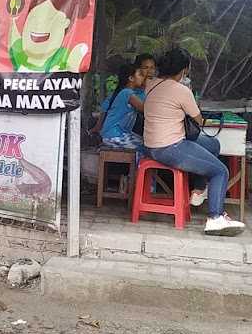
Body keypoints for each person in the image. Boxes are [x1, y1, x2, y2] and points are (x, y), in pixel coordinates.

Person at [144, 47, 244, 236]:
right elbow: (198, 120)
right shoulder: (181, 90)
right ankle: (215, 217)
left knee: (213, 145)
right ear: (184, 70)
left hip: (151, 146)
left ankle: (198, 189)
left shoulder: (152, 84)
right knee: (220, 171)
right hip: (171, 147)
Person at [8, 0, 90, 73]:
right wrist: (13, 19)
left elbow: (72, 71)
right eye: (33, 18)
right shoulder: (19, 50)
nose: (39, 25)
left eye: (50, 19)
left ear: (66, 23)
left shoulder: (62, 55)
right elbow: (14, 37)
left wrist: (74, 61)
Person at [94, 63, 145, 150]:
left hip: (116, 134)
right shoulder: (127, 93)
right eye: (140, 75)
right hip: (114, 135)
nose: (143, 78)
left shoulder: (125, 92)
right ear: (131, 78)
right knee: (146, 148)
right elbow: (146, 109)